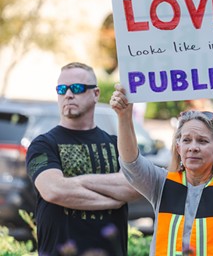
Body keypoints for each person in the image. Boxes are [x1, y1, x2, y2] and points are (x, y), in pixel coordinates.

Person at [111, 76, 213, 256]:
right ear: (178, 147)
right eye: (186, 140)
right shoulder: (162, 183)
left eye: (202, 141)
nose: (193, 147)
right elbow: (131, 163)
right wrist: (124, 116)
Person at [26, 62, 139, 256]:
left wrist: (75, 182)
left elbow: (133, 186)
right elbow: (53, 190)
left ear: (95, 94)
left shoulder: (117, 144)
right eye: (62, 89)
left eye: (76, 88)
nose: (68, 94)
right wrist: (114, 201)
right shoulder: (42, 145)